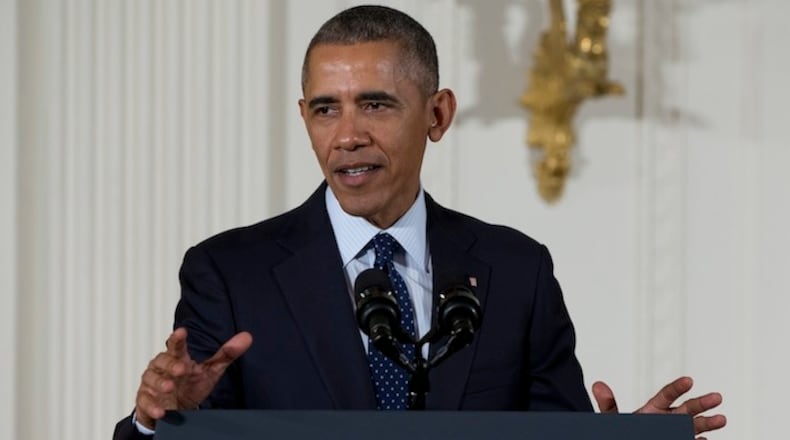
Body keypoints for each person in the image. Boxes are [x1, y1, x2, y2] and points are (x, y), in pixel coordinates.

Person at [113, 5, 726, 439]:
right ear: (304, 118)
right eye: (326, 109)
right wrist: (155, 422)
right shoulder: (230, 272)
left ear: (438, 113)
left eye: (375, 104)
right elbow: (190, 431)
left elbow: (550, 436)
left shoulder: (517, 270)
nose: (347, 135)